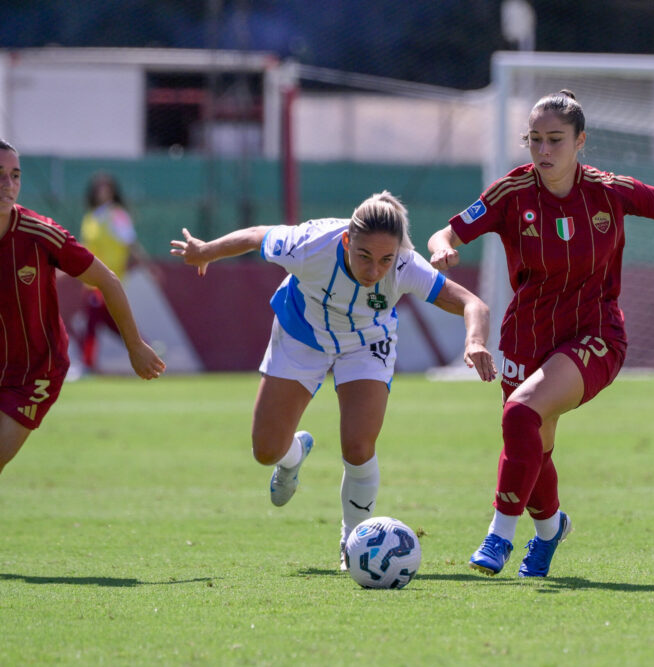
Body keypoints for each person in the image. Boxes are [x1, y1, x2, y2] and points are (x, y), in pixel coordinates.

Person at [427, 90, 654, 578]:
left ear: (580, 141)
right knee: (535, 447)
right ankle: (550, 530)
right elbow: (447, 233)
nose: (543, 151)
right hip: (527, 334)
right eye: (534, 140)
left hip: (594, 332)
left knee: (520, 414)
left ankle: (499, 535)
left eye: (555, 140)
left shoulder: (609, 191)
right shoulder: (511, 193)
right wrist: (441, 250)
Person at [170, 191, 496, 568]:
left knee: (358, 446)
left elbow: (474, 304)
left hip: (366, 342)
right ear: (346, 241)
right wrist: (207, 250)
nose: (374, 271)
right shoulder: (311, 244)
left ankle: (353, 543)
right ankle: (292, 456)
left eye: (385, 260)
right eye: (364, 257)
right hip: (301, 333)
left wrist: (474, 342)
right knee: (265, 450)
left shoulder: (406, 266)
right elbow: (259, 235)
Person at [0, 140, 165, 476]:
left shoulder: (40, 233)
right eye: (0, 175)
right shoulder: (93, 217)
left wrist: (135, 347)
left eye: (15, 175)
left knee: (93, 322)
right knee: (92, 322)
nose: (9, 184)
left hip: (34, 374)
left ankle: (102, 359)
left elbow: (109, 278)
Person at [78, 172, 158, 374]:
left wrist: (149, 267)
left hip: (109, 280)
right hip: (89, 280)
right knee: (113, 323)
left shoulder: (117, 215)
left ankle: (87, 365)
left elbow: (131, 243)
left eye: (107, 188)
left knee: (93, 321)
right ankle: (148, 349)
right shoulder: (90, 218)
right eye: (99, 188)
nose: (103, 192)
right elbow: (82, 249)